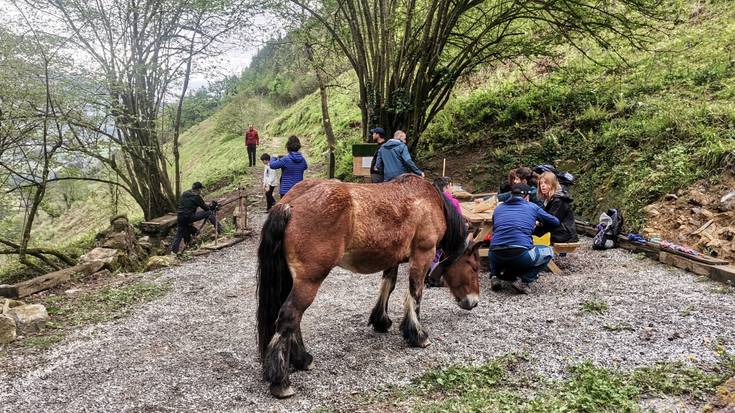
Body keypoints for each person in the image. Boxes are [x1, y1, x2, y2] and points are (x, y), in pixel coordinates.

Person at [488, 183, 560, 294]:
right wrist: (538, 224)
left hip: (495, 255)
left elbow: (495, 228)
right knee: (548, 251)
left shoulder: (498, 208)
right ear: (526, 196)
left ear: (511, 195)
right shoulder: (532, 207)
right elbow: (555, 222)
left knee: (497, 243)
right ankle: (524, 281)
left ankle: (494, 276)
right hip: (520, 254)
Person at [426, 177, 463, 287]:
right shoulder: (454, 202)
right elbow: (459, 221)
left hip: (433, 233)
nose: (452, 188)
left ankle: (431, 270)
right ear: (446, 187)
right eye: (451, 186)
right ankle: (437, 274)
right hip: (448, 236)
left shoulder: (431, 201)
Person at [170, 182, 220, 254]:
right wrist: (212, 207)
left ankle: (173, 253)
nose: (201, 191)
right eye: (201, 189)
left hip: (180, 217)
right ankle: (219, 228)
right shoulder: (196, 197)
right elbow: (206, 208)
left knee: (179, 235)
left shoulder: (185, 193)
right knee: (209, 213)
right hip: (189, 217)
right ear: (198, 189)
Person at [534, 171, 579, 243]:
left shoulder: (559, 200)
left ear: (553, 184)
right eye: (541, 183)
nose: (542, 185)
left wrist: (537, 225)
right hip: (558, 232)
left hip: (565, 235)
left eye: (546, 183)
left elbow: (552, 221)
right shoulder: (549, 199)